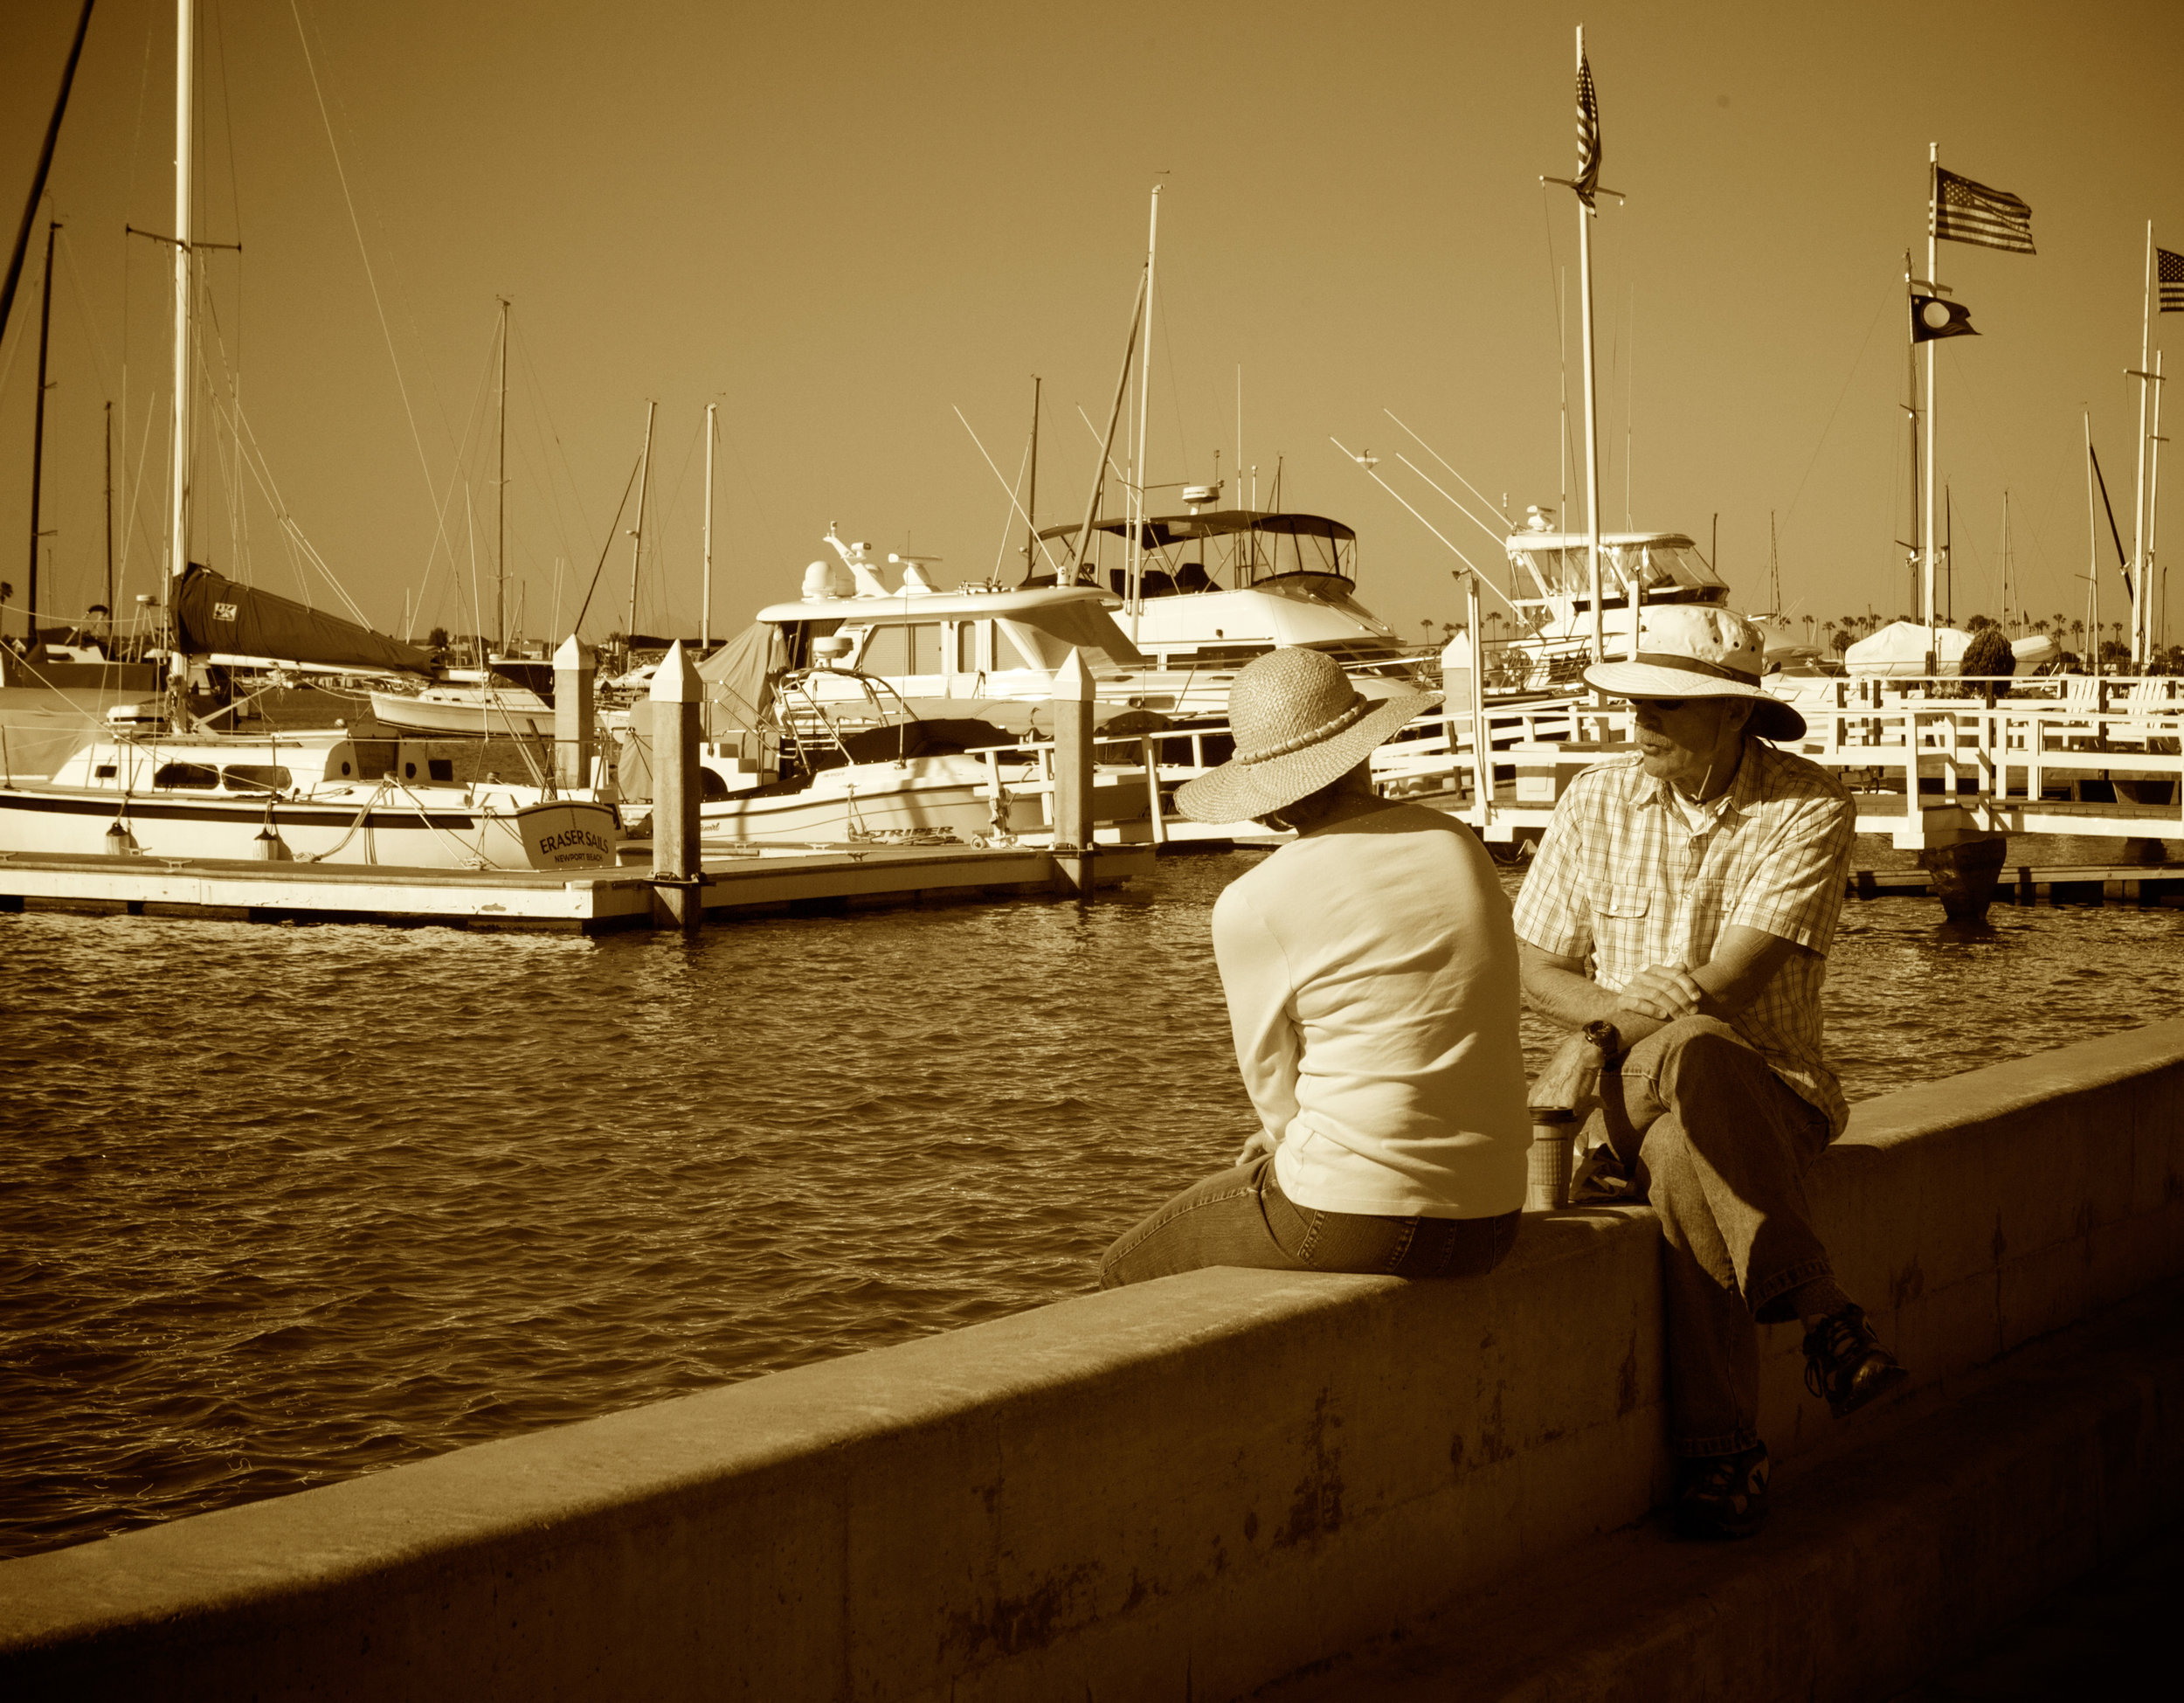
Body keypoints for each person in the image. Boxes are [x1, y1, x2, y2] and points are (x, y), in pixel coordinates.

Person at [1511, 605, 1905, 1541]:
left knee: (1691, 1101)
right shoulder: (1592, 800)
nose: (1636, 725)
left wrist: (1595, 1037)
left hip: (1767, 1093)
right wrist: (1609, 1033)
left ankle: (1725, 1450)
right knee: (1678, 1056)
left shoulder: (1806, 806)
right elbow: (1532, 965)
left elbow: (1728, 983)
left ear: (1733, 716)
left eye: (1664, 708)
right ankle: (1822, 1317)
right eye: (1633, 705)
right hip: (1626, 1091)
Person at [1100, 647, 1530, 1287]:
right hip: (1494, 1217)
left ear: (1267, 789)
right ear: (1360, 748)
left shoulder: (1254, 900)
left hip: (1356, 1217)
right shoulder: (1454, 840)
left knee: (1122, 1268)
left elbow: (1270, 1076)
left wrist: (1287, 1140)